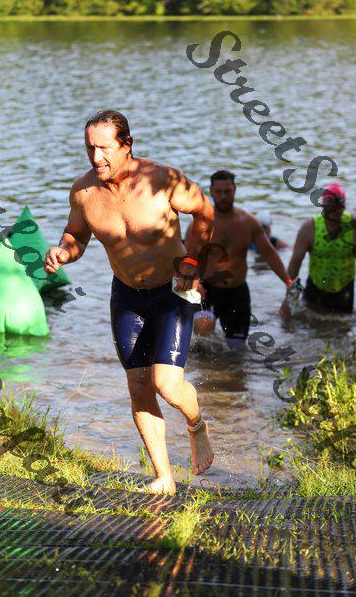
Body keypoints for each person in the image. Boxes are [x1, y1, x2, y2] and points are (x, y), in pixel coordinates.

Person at [44, 110, 215, 495]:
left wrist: (192, 261)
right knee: (139, 387)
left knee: (166, 385)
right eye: (90, 148)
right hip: (126, 296)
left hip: (172, 290)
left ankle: (197, 425)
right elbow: (76, 235)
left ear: (126, 145)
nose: (96, 157)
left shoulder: (163, 180)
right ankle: (164, 478)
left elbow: (205, 213)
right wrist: (63, 252)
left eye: (104, 148)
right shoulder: (84, 192)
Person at [185, 170, 294, 347]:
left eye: (227, 191)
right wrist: (194, 282)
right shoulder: (200, 224)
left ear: (234, 191)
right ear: (211, 192)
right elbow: (187, 257)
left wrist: (288, 281)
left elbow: (269, 253)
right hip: (207, 290)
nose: (223, 196)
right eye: (218, 192)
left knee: (236, 350)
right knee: (203, 334)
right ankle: (204, 363)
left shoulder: (249, 223)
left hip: (237, 292)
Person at [285, 183, 355, 314]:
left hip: (345, 288)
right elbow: (295, 264)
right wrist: (289, 298)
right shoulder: (310, 227)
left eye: (338, 204)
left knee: (344, 323)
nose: (334, 209)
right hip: (315, 288)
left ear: (344, 206)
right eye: (330, 204)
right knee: (310, 321)